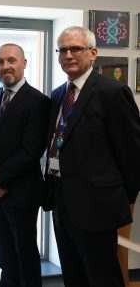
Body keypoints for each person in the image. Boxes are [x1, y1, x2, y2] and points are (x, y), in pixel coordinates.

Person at [45, 26, 140, 286]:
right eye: (62, 49)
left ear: (93, 53)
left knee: (102, 277)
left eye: (76, 48)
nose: (68, 55)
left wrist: (121, 198)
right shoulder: (58, 95)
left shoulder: (112, 92)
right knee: (73, 274)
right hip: (62, 200)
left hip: (98, 206)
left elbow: (132, 153)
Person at [0, 44, 50, 287]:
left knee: (25, 255)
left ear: (24, 63)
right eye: (0, 62)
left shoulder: (39, 102)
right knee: (4, 257)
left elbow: (31, 152)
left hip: (22, 194)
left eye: (11, 60)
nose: (5, 66)